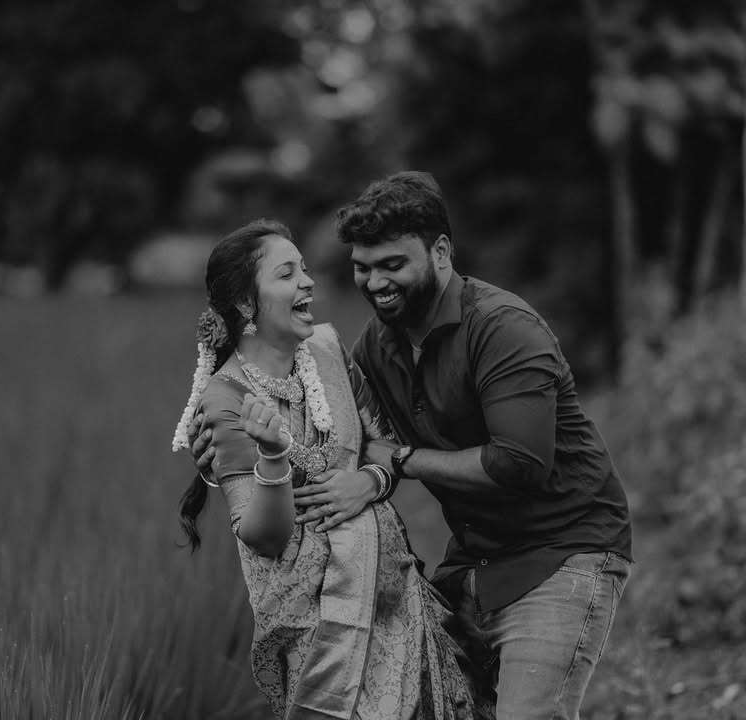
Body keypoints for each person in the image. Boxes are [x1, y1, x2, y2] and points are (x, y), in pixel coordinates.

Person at [192, 173, 633, 720]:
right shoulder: (376, 348)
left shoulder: (502, 329)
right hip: (472, 565)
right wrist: (233, 458)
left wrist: (394, 463)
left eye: (393, 264)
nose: (375, 282)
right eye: (363, 267)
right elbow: (356, 440)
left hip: (560, 554)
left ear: (441, 252)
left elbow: (519, 463)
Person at [171, 218, 491, 720]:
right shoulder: (227, 397)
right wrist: (273, 456)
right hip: (314, 623)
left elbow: (386, 444)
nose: (308, 282)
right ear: (246, 304)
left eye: (304, 269)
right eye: (287, 274)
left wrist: (369, 481)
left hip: (390, 591)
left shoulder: (326, 351)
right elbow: (264, 537)